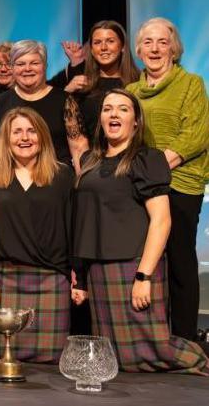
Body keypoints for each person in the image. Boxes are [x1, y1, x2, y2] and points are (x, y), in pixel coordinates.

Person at [73, 89, 208, 374]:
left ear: (136, 121)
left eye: (123, 109)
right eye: (108, 108)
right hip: (100, 269)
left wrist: (144, 276)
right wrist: (82, 275)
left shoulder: (147, 159)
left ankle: (200, 358)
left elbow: (161, 220)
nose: (114, 114)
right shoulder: (90, 161)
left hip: (132, 265)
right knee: (116, 357)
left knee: (151, 348)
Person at [126, 18, 209, 343]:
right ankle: (149, 336)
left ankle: (185, 340)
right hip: (139, 185)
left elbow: (195, 136)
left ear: (174, 49)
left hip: (179, 183)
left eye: (162, 42)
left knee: (178, 258)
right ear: (138, 49)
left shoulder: (190, 84)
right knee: (144, 259)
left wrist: (156, 170)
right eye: (148, 42)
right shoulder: (131, 91)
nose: (155, 49)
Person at [0, 108, 74, 362]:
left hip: (52, 278)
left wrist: (77, 275)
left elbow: (73, 226)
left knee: (52, 358)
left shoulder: (63, 175)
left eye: (31, 131)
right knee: (6, 356)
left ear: (42, 136)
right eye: (17, 131)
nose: (25, 137)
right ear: (6, 139)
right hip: (7, 280)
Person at [0, 40, 89, 176]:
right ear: (13, 68)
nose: (27, 69)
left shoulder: (64, 101)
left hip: (56, 183)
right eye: (21, 64)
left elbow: (79, 148)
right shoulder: (0, 102)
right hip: (9, 185)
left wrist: (82, 187)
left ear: (45, 66)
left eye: (34, 63)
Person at [59, 21, 141, 135]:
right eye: (97, 42)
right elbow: (59, 122)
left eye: (110, 41)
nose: (103, 47)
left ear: (122, 46)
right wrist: (67, 91)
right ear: (91, 49)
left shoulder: (139, 82)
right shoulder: (81, 85)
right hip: (89, 152)